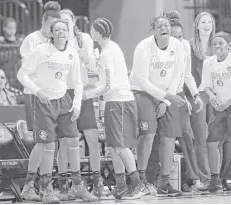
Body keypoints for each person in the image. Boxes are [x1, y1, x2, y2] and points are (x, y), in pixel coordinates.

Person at [17, 20, 98, 203]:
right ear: (51, 34)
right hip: (44, 101)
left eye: (65, 29)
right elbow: (21, 74)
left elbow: (78, 81)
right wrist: (37, 91)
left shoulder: (72, 53)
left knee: (72, 141)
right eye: (58, 29)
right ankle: (42, 189)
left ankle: (77, 187)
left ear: (68, 33)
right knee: (47, 145)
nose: (62, 32)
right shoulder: (40, 51)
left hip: (64, 101)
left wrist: (76, 105)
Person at [85, 17, 145, 200]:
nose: (91, 31)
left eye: (93, 29)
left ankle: (137, 184)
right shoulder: (113, 48)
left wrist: (87, 94)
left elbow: (107, 85)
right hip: (122, 101)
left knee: (119, 146)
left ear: (97, 32)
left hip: (117, 102)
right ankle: (126, 185)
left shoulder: (106, 53)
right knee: (117, 146)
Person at [130, 15, 186, 197]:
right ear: (154, 30)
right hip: (143, 92)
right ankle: (141, 179)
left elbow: (178, 75)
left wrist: (166, 101)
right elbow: (142, 81)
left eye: (167, 25)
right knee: (149, 133)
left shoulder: (178, 46)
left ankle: (164, 182)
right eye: (160, 25)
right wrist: (165, 97)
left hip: (167, 94)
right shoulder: (143, 47)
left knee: (170, 137)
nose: (164, 27)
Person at [57, 9, 110, 200]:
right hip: (64, 93)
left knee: (92, 139)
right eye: (60, 21)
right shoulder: (55, 41)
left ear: (73, 21)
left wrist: (84, 57)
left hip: (84, 91)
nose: (64, 24)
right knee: (64, 142)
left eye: (67, 21)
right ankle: (64, 185)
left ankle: (97, 182)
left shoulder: (84, 39)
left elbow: (93, 66)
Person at [199, 31, 231, 195]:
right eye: (215, 43)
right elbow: (206, 85)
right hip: (218, 107)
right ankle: (215, 180)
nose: (217, 46)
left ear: (229, 45)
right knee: (211, 142)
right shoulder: (208, 62)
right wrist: (211, 96)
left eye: (220, 43)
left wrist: (227, 102)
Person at [167, 15, 205, 192]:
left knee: (187, 138)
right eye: (174, 36)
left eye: (181, 35)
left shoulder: (184, 47)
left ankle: (194, 179)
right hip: (164, 97)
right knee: (160, 140)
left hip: (180, 95)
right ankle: (151, 181)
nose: (178, 39)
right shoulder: (160, 49)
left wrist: (195, 95)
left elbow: (187, 74)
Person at [183, 12, 216, 189]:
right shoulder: (188, 47)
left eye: (209, 22)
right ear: (197, 25)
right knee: (201, 139)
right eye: (203, 22)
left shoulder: (216, 46)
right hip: (196, 97)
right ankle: (203, 178)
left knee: (216, 139)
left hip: (214, 97)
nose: (206, 25)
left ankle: (218, 176)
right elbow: (185, 74)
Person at [20, 1, 61, 132]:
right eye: (50, 26)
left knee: (53, 134)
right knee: (38, 134)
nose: (52, 30)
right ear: (43, 21)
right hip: (34, 93)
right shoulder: (31, 39)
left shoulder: (57, 42)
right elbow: (26, 70)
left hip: (52, 94)